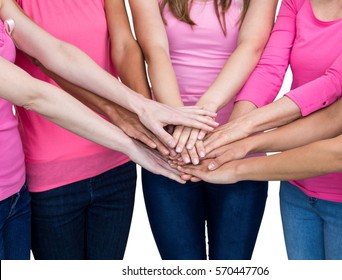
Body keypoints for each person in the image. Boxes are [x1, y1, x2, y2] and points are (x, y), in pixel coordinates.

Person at [5, 0, 216, 260]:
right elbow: (41, 73)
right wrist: (122, 115)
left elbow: (122, 47)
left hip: (116, 165)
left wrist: (146, 118)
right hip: (51, 174)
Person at [187, 0, 342, 260]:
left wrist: (241, 132)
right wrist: (233, 139)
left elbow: (335, 88)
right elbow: (269, 69)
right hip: (294, 182)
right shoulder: (297, 2)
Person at [130, 0, 277, 259]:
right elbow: (155, 51)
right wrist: (180, 124)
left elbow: (251, 47)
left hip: (235, 150)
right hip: (170, 149)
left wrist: (196, 122)